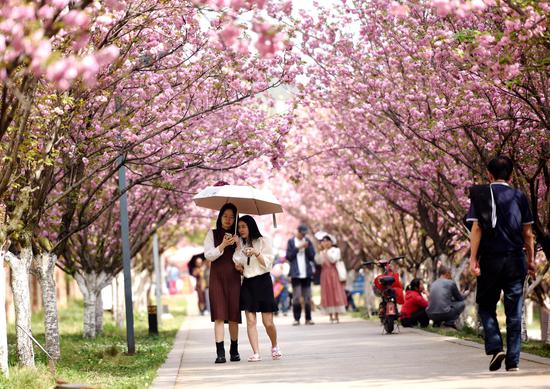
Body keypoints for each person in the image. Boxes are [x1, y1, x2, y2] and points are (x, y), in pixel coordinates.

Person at [467, 156, 535, 372]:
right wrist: (531, 260)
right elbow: (528, 234)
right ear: (511, 175)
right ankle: (513, 362)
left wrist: (473, 258)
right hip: (515, 260)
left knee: (486, 306)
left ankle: (496, 347)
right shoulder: (520, 196)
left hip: (490, 260)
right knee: (514, 311)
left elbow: (476, 229)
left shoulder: (481, 195)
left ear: (489, 174)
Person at [233, 215, 282, 362]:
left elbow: (268, 265)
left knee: (268, 322)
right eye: (239, 227)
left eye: (243, 226)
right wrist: (238, 249)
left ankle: (275, 346)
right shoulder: (240, 243)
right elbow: (239, 262)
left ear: (250, 226)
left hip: (263, 282)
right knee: (250, 321)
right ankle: (256, 352)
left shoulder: (263, 241)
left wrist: (256, 252)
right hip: (248, 283)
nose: (241, 230)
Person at [203, 203, 241, 364]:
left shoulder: (239, 235)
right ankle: (220, 352)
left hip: (233, 279)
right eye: (225, 216)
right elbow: (209, 256)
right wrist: (223, 245)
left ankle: (234, 349)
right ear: (220, 217)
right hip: (217, 279)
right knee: (219, 315)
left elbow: (242, 260)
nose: (228, 220)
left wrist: (238, 245)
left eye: (232, 217)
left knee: (233, 315)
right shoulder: (212, 234)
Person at [286, 224, 316, 326]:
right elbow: (289, 257)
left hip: (307, 274)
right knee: (297, 298)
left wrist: (307, 248)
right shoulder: (291, 242)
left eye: (304, 234)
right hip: (295, 274)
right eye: (301, 233)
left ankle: (308, 319)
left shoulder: (308, 242)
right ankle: (297, 319)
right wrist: (297, 248)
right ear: (297, 232)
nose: (303, 235)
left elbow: (312, 257)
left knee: (307, 298)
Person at [315, 235, 347, 323]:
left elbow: (333, 259)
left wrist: (326, 251)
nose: (325, 243)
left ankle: (336, 315)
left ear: (331, 242)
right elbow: (318, 262)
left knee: (335, 292)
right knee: (327, 293)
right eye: (323, 241)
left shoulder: (335, 250)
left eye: (327, 241)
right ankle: (330, 315)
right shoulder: (321, 252)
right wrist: (319, 252)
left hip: (334, 273)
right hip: (325, 274)